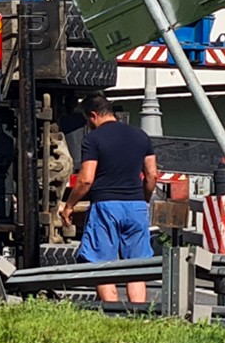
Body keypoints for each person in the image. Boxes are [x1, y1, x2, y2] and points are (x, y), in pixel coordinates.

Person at [62, 95, 157, 306]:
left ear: (93, 115)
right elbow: (151, 175)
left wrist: (69, 205)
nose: (88, 124)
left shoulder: (93, 139)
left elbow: (86, 179)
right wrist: (144, 200)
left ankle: (112, 312)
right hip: (136, 207)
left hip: (107, 206)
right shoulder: (141, 136)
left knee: (103, 264)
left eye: (88, 119)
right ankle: (139, 315)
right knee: (136, 267)